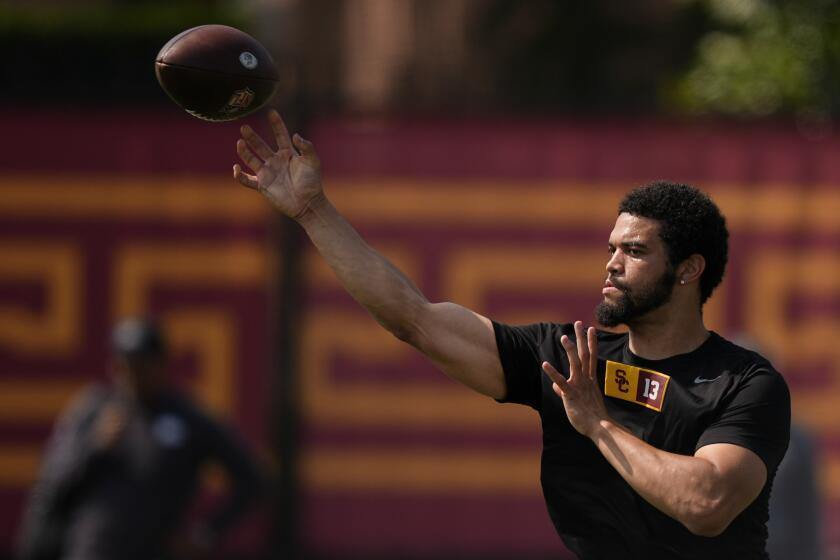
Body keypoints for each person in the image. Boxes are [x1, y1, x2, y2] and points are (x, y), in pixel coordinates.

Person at [232, 110, 790, 559]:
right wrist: (312, 211)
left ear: (689, 270)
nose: (613, 264)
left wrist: (596, 423)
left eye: (636, 251)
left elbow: (706, 503)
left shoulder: (745, 382)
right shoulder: (570, 357)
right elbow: (414, 318)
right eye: (612, 248)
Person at [16, 318, 262, 560]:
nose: (132, 374)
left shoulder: (187, 418)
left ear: (161, 364)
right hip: (91, 551)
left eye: (141, 365)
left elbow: (251, 479)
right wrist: (93, 447)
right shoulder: (94, 409)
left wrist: (206, 533)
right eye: (125, 364)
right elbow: (52, 484)